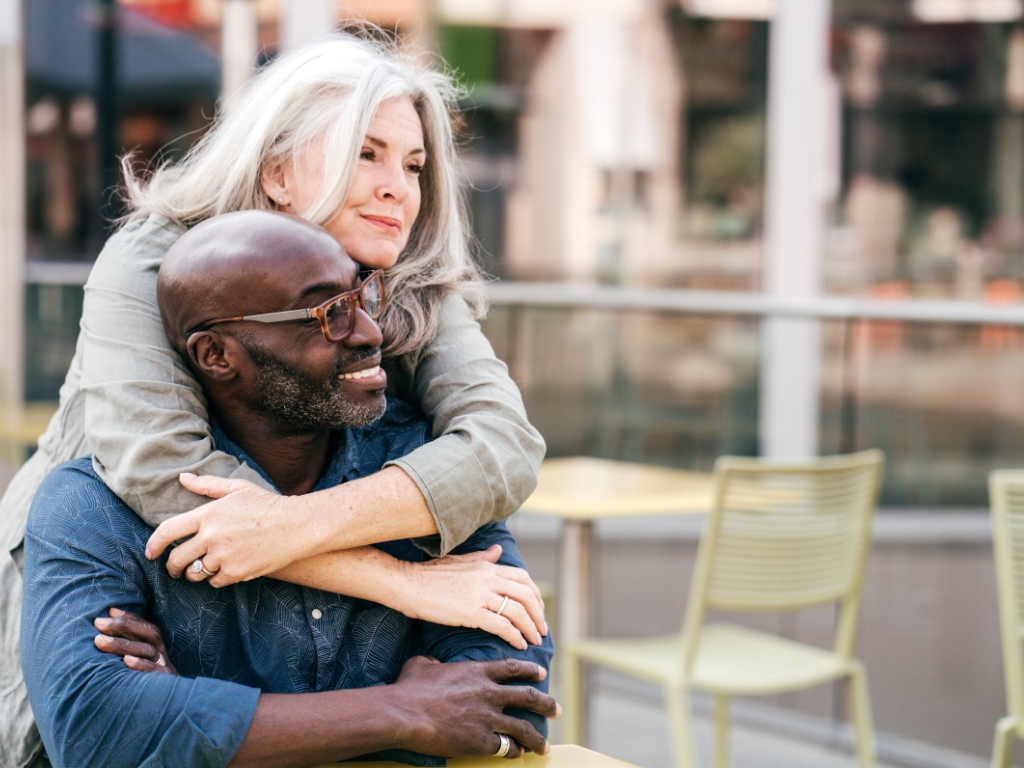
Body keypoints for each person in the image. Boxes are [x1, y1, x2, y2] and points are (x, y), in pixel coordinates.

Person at [0, 30, 546, 766]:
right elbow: (170, 479)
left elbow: (502, 449)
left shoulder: (406, 277)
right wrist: (405, 584)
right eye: (366, 153)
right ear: (279, 170)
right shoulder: (153, 259)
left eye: (414, 165)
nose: (399, 187)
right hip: (125, 560)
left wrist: (192, 703)